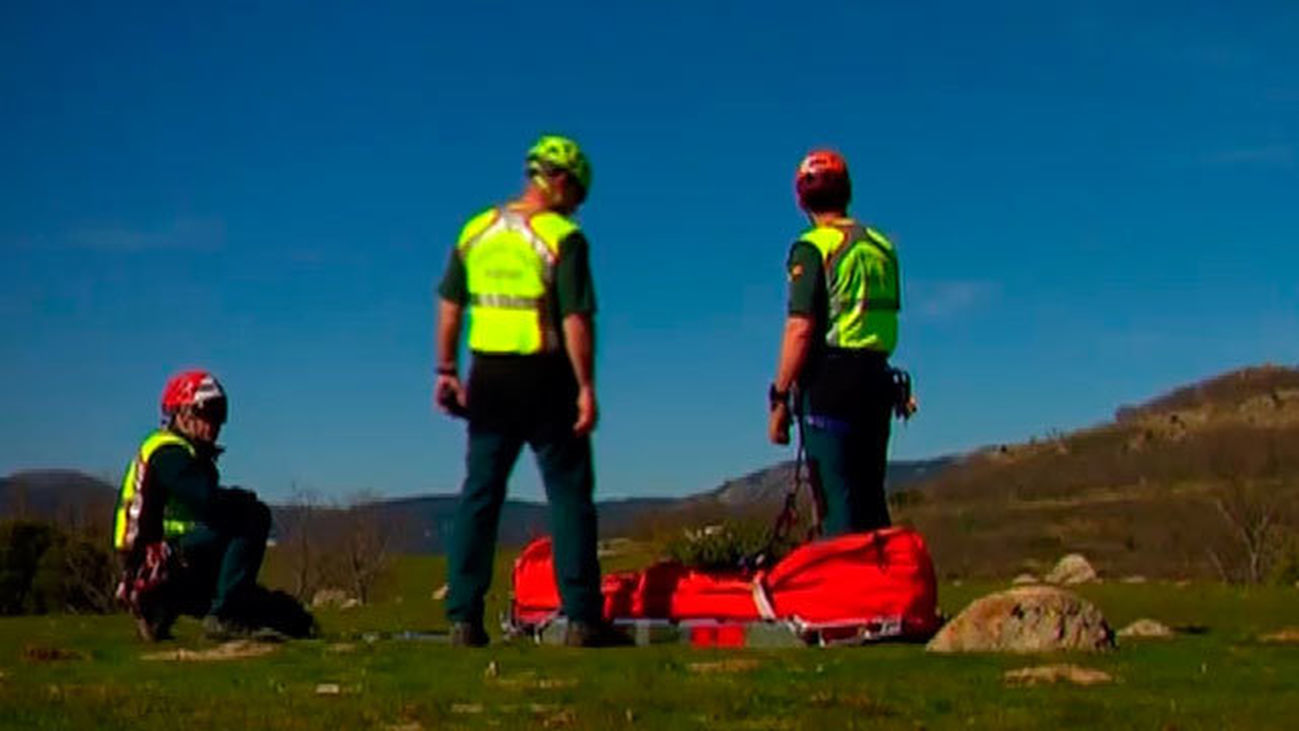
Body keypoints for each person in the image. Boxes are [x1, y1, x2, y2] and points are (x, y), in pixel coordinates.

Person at [435, 134, 623, 647]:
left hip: (488, 377)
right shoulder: (562, 237)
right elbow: (576, 318)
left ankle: (463, 617)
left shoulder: (476, 230)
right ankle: (582, 618)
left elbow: (450, 305)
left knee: (480, 493)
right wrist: (586, 386)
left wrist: (446, 368)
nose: (578, 205)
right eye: (577, 193)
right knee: (568, 495)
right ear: (559, 181)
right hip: (546, 374)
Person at [767, 150, 910, 537]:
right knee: (871, 500)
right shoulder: (881, 245)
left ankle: (844, 574)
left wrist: (779, 396)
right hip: (877, 380)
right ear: (847, 191)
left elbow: (800, 327)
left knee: (836, 505)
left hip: (829, 383)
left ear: (801, 199)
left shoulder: (813, 246)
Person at [113, 370, 313, 641]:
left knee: (280, 612)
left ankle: (162, 607)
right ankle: (224, 616)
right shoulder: (169, 454)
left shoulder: (183, 454)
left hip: (161, 562)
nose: (215, 423)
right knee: (252, 516)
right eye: (207, 412)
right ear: (182, 414)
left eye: (220, 413)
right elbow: (206, 501)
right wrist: (242, 500)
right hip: (157, 562)